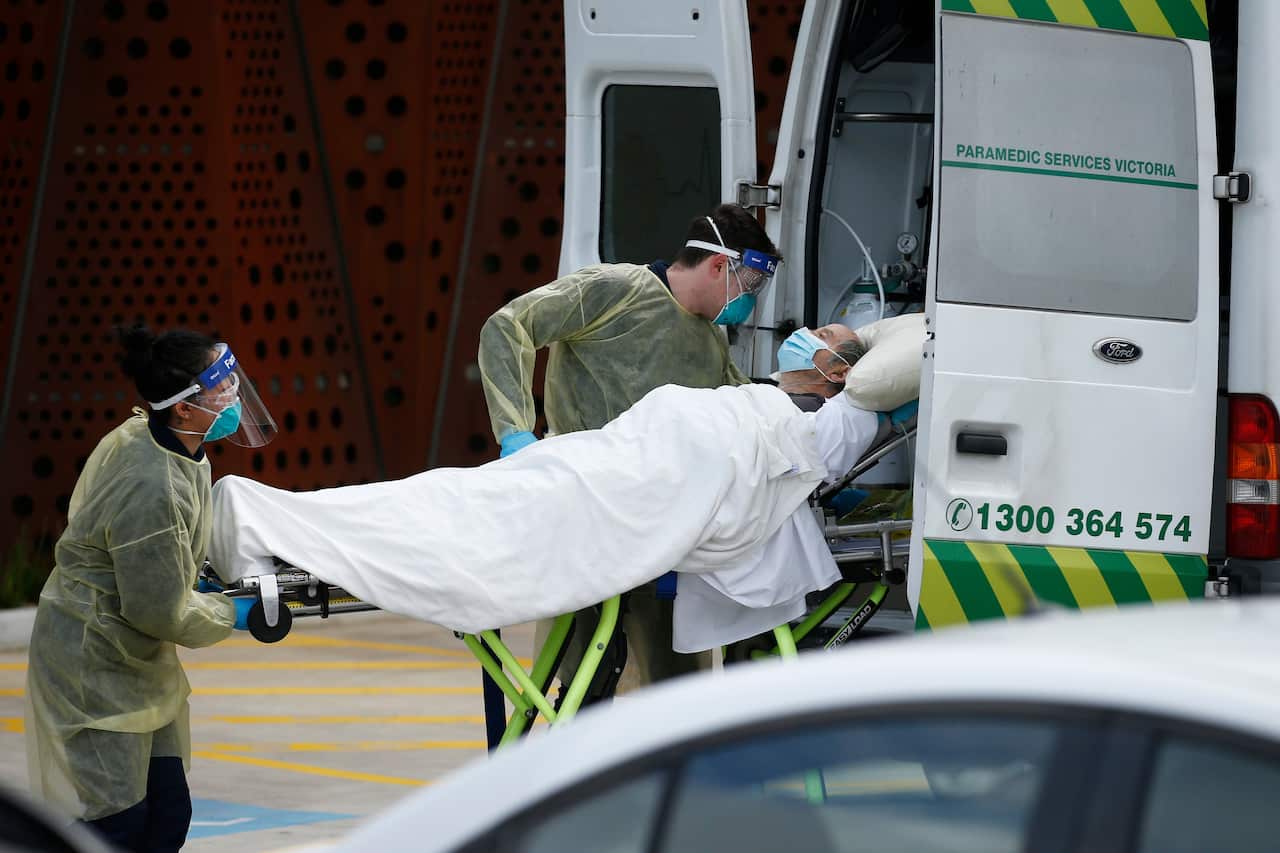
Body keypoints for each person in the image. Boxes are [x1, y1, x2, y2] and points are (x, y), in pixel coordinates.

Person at [478, 202, 781, 690]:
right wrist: (515, 431)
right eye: (750, 285)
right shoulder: (615, 290)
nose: (749, 301)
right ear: (719, 265)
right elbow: (508, 327)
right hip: (587, 512)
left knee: (674, 686)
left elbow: (742, 412)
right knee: (580, 682)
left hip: (665, 528)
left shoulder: (711, 341)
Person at [25, 325, 277, 852]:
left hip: (135, 663)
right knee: (116, 826)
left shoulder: (160, 440)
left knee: (167, 816)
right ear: (183, 408)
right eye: (220, 389)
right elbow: (158, 610)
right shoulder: (152, 483)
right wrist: (233, 613)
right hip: (94, 665)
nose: (233, 396)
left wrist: (197, 575)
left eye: (233, 382)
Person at [774, 324, 868, 410]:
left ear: (839, 373)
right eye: (813, 330)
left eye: (821, 335)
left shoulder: (804, 410)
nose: (805, 332)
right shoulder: (775, 398)